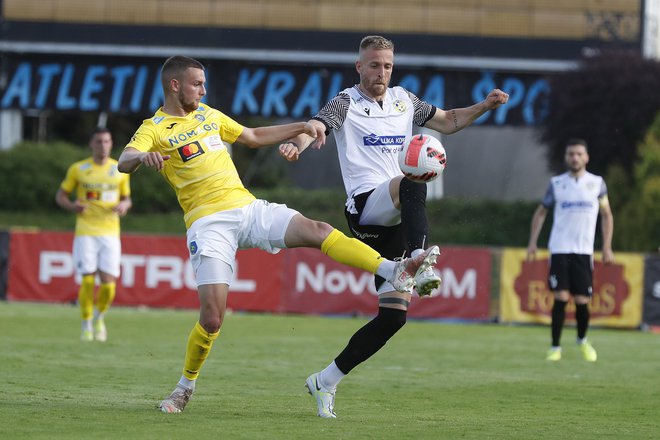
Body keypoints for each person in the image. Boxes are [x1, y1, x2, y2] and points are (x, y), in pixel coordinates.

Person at [117, 55, 440, 414]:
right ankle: (184, 387)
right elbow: (125, 159)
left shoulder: (208, 115)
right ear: (175, 85)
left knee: (318, 230)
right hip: (208, 224)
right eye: (198, 84)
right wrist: (141, 159)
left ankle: (392, 270)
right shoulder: (155, 128)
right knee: (211, 318)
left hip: (247, 208)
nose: (204, 90)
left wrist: (304, 126)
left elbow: (252, 136)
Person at [279, 35, 509, 418]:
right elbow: (317, 125)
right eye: (373, 65)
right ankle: (421, 259)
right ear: (359, 66)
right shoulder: (346, 102)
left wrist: (485, 105)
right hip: (367, 208)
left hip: (399, 217)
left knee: (393, 318)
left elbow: (449, 121)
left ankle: (326, 380)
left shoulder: (405, 100)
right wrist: (298, 144)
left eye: (386, 65)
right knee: (411, 182)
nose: (380, 72)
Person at [526, 138, 614, 362]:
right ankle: (555, 347)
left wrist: (606, 246)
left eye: (578, 154)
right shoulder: (557, 184)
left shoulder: (597, 183)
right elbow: (541, 212)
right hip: (560, 249)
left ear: (586, 157)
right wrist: (532, 242)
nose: (574, 158)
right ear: (566, 157)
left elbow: (606, 215)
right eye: (571, 154)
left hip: (584, 251)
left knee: (583, 300)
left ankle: (582, 341)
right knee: (561, 297)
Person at [56, 127, 132, 342]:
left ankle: (100, 317)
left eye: (107, 141)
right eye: (99, 142)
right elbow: (60, 196)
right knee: (88, 281)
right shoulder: (79, 169)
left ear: (111, 143)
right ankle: (86, 324)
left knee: (109, 285)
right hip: (86, 231)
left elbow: (127, 198)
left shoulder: (119, 169)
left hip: (110, 232)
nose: (103, 145)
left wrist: (124, 205)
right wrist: (73, 206)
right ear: (91, 144)